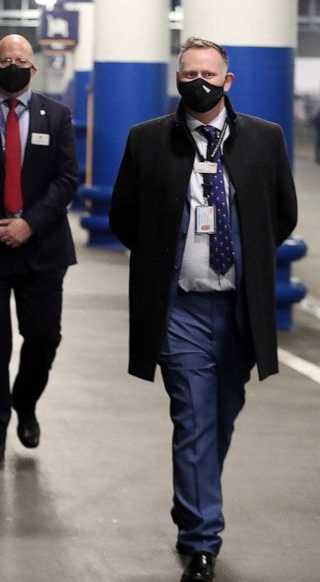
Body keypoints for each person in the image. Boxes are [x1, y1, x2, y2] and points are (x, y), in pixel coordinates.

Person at [110, 37, 297, 582]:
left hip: (239, 309)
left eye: (209, 74)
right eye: (188, 72)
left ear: (228, 81)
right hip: (180, 309)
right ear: (177, 78)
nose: (199, 81)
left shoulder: (265, 139)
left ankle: (194, 498)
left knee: (221, 416)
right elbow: (125, 217)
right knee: (193, 417)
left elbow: (281, 215)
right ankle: (202, 539)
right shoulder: (147, 141)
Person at [0, 34, 78, 466]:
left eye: (20, 60)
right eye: (5, 60)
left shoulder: (57, 116)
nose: (13, 66)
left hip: (42, 249)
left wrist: (29, 224)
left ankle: (25, 402)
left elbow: (66, 180)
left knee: (43, 338)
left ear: (33, 68)